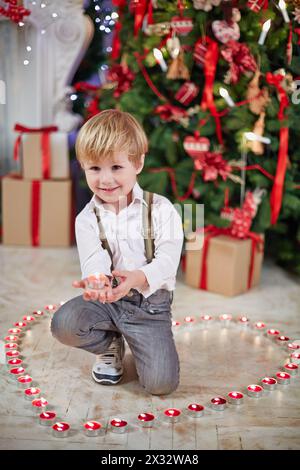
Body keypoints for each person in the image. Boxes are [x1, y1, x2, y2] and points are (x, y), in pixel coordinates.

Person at [51, 109, 184, 395]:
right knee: (64, 324)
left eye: (116, 167)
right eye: (95, 168)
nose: (105, 179)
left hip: (148, 307)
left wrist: (136, 278)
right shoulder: (86, 218)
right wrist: (97, 280)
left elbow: (168, 261)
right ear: (83, 168)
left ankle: (144, 342)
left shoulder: (161, 209)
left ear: (137, 163)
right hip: (108, 301)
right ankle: (109, 344)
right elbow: (92, 257)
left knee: (160, 385)